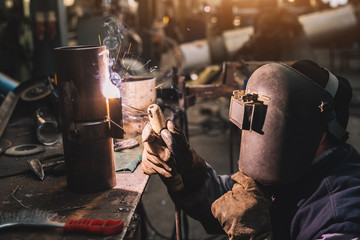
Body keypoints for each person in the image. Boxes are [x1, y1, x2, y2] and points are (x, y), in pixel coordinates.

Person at [141, 60, 360, 240]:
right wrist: (185, 170)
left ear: (312, 131)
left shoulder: (343, 214)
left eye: (274, 125)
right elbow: (232, 201)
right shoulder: (291, 167)